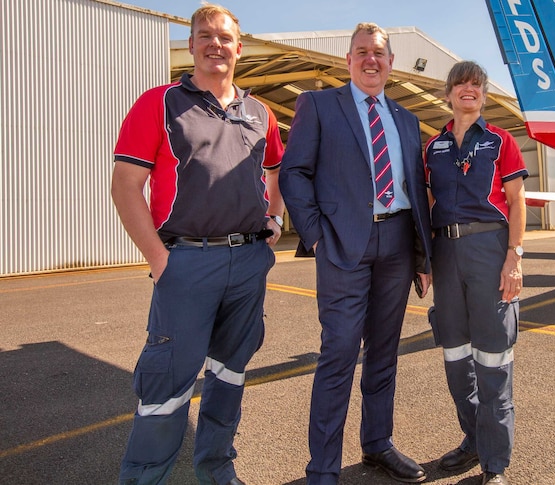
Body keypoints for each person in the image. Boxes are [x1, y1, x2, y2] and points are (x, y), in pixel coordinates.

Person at [111, 4, 285, 484]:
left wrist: (272, 217)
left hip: (248, 261)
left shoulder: (260, 113)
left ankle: (216, 470)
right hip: (186, 262)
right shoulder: (159, 103)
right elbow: (126, 185)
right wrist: (159, 258)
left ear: (238, 48)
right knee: (166, 384)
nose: (215, 45)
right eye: (205, 36)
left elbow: (276, 170)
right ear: (190, 45)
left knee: (230, 375)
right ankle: (143, 477)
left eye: (224, 37)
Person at [279, 22, 433, 485]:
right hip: (344, 245)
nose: (371, 60)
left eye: (379, 53)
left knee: (384, 353)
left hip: (398, 243)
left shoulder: (406, 119)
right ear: (348, 61)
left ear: (390, 63)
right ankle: (322, 468)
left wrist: (423, 258)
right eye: (362, 52)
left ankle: (377, 444)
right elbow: (294, 173)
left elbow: (417, 188)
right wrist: (317, 236)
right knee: (339, 354)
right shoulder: (320, 105)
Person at [423, 61, 527, 485]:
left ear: (483, 94)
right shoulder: (432, 148)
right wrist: (425, 260)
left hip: (489, 247)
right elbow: (426, 205)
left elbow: (517, 202)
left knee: (493, 356)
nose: (469, 90)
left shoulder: (502, 141)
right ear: (448, 94)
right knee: (455, 355)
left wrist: (514, 256)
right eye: (461, 84)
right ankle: (473, 439)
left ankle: (494, 463)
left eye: (476, 85)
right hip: (445, 252)